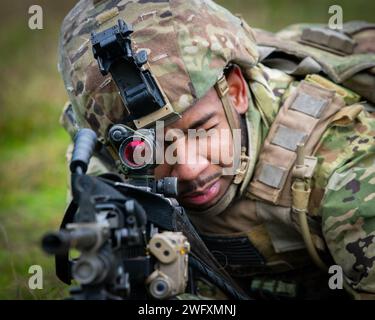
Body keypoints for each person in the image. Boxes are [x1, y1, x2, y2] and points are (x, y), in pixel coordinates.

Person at [58, 0, 375, 299]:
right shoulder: (105, 162)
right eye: (151, 147)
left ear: (235, 92)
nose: (189, 169)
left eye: (202, 131)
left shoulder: (345, 165)